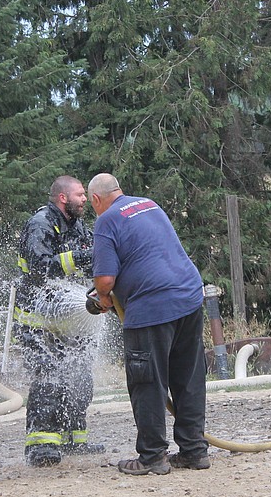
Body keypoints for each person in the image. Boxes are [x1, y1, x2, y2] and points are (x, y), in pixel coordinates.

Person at [87, 173, 209, 475]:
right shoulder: (148, 204)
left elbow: (105, 280)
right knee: (187, 377)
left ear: (95, 200)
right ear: (120, 190)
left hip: (151, 306)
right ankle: (194, 451)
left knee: (147, 383)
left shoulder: (105, 220)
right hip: (189, 297)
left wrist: (103, 298)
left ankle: (153, 457)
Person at [14, 175, 104, 467]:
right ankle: (40, 446)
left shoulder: (77, 226)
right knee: (48, 378)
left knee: (80, 379)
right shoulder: (40, 225)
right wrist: (80, 257)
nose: (84, 199)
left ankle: (74, 439)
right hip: (36, 323)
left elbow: (92, 259)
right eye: (80, 194)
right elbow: (40, 269)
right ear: (63, 198)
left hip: (69, 322)